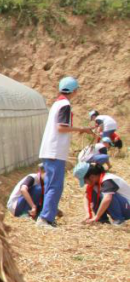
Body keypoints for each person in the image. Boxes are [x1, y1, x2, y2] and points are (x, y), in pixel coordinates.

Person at [35, 77, 94, 229]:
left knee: (50, 185)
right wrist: (81, 129)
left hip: (49, 150)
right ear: (74, 91)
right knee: (55, 186)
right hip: (55, 151)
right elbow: (61, 127)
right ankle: (45, 218)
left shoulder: (57, 103)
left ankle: (47, 216)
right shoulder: (65, 105)